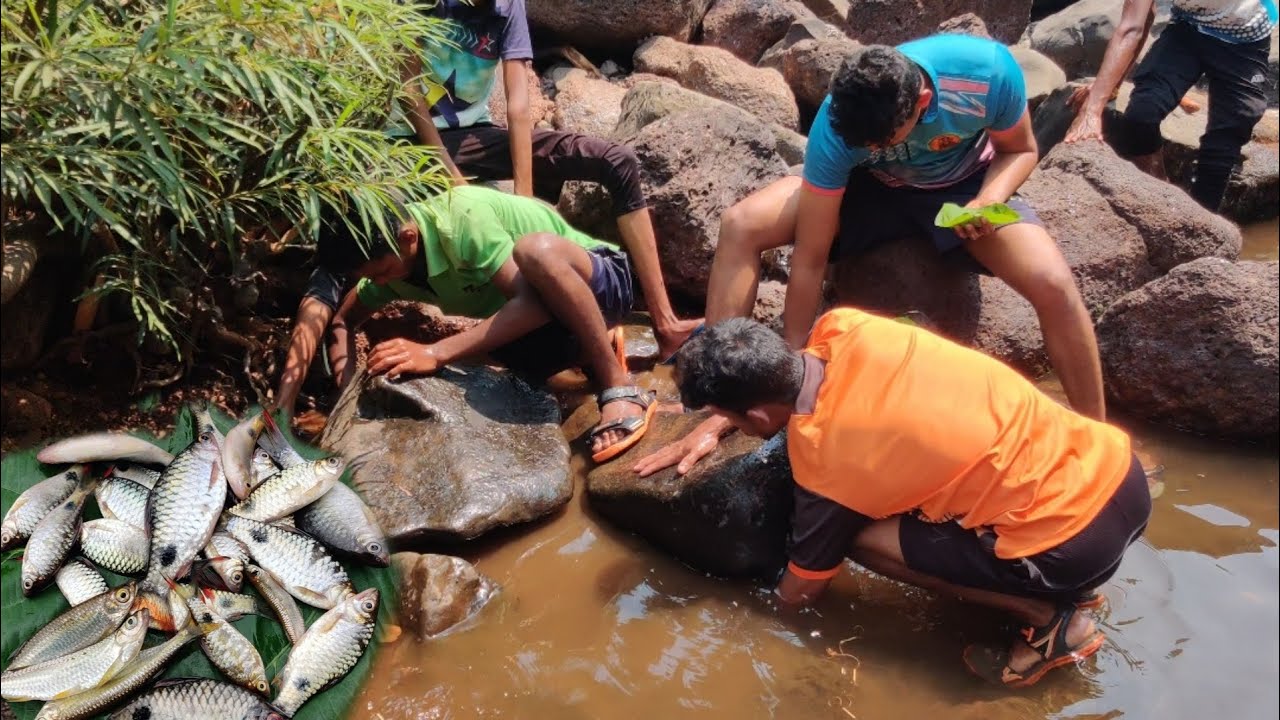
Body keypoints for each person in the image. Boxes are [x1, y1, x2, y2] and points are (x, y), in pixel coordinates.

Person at [642, 35, 1108, 475]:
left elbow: (1020, 150)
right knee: (742, 223)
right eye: (861, 143)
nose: (868, 147)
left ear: (922, 102)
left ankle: (1097, 440)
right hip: (867, 192)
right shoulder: (839, 123)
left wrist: (989, 200)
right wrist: (784, 379)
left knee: (1054, 284)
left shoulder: (985, 73)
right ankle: (717, 395)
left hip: (961, 190)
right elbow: (810, 258)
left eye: (880, 142)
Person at [667, 310, 1151, 687]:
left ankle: (1051, 621)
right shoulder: (844, 327)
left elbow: (802, 590)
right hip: (1118, 474)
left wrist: (752, 615)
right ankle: (1074, 588)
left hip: (1072, 546)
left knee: (855, 538)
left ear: (755, 416)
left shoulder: (824, 456)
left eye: (730, 416)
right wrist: (719, 421)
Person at [392, 0, 698, 357]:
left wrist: (523, 198)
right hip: (410, 142)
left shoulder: (508, 6)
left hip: (477, 136)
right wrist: (459, 186)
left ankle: (665, 323)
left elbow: (518, 105)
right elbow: (410, 92)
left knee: (617, 160)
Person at [275, 185, 662, 463]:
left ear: (407, 238)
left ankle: (618, 387)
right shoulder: (391, 265)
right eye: (370, 278)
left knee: (536, 251)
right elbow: (342, 320)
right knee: (488, 364)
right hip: (540, 322)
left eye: (381, 273)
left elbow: (534, 303)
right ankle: (591, 349)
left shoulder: (461, 218)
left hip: (599, 283)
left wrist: (434, 351)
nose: (378, 283)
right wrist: (348, 394)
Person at [1064, 0, 1276, 212]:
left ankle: (1200, 221)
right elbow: (1133, 25)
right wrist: (1099, 100)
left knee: (1221, 149)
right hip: (1188, 28)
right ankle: (1164, 201)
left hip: (1244, 38)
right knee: (1141, 115)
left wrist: (1097, 103)